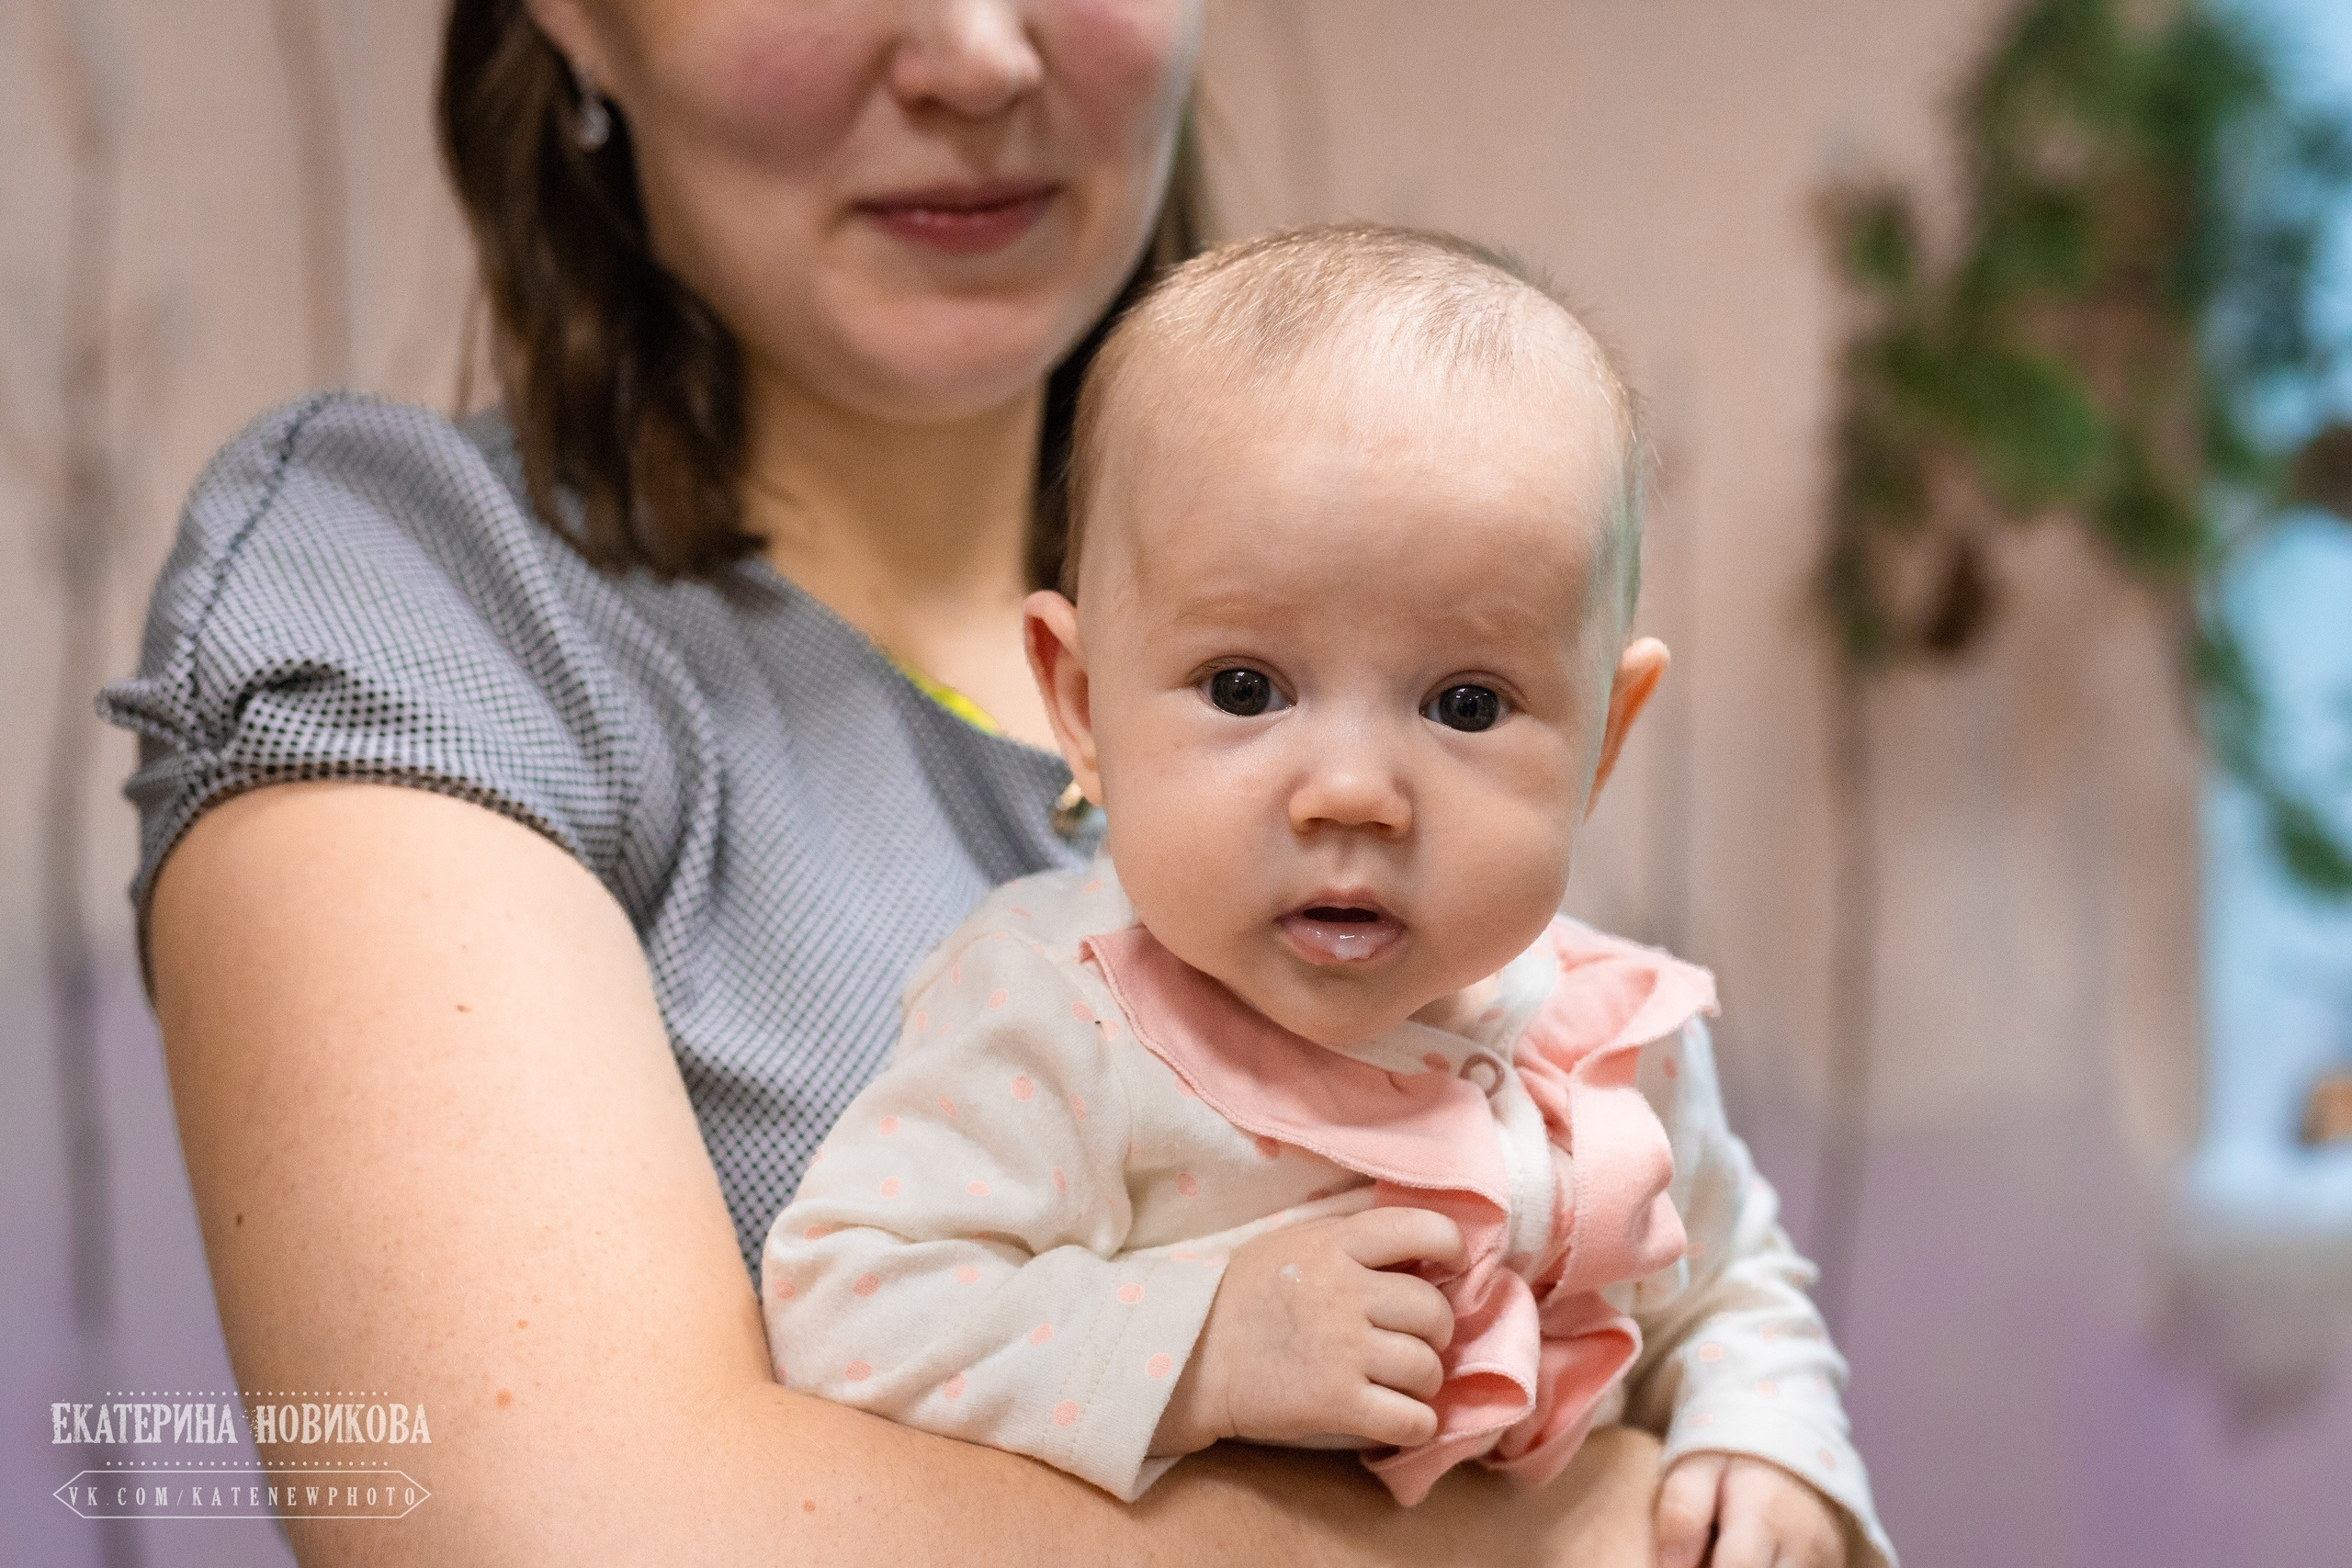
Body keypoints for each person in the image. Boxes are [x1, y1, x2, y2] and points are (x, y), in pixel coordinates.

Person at [96, 2, 1671, 1562]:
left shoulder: (1410, 611)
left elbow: (1717, 1323)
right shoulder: (418, 593)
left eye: (1461, 705)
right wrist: (1580, 1530)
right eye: (1243, 692)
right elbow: (559, 1541)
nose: (980, 55)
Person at [763, 227, 1894, 1568]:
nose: (1353, 792)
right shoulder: (1060, 1020)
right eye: (1246, 688)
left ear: (1602, 738)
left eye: (1466, 704)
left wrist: (1761, 1439)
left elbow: (1729, 1289)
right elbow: (848, 1302)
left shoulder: (1609, 1043)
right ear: (1080, 700)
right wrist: (1207, 1340)